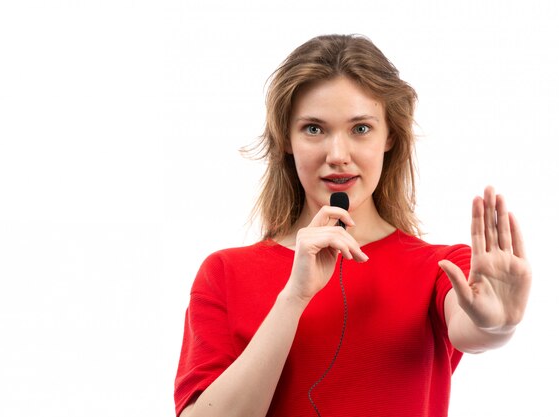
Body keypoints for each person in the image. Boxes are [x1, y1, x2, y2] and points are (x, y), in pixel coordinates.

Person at [173, 34, 532, 417]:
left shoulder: (441, 268)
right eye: (314, 128)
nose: (338, 155)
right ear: (286, 140)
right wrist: (293, 298)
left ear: (390, 136)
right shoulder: (225, 273)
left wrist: (498, 326)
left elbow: (471, 327)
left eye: (360, 128)